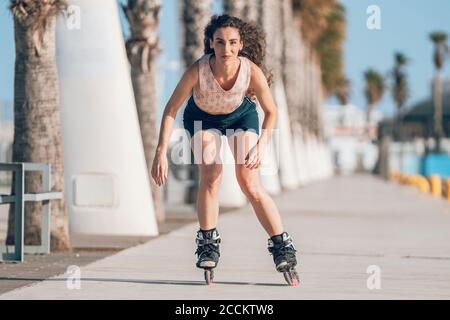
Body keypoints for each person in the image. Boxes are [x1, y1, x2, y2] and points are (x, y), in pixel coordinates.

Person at [151, 14, 298, 285]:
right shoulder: (198, 70)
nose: (226, 49)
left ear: (240, 45)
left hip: (241, 117)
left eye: (232, 43)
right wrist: (160, 151)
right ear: (211, 43)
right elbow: (171, 109)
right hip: (202, 119)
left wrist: (262, 145)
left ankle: (281, 245)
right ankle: (208, 242)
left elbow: (271, 111)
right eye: (220, 42)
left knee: (249, 183)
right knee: (212, 174)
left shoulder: (250, 71)